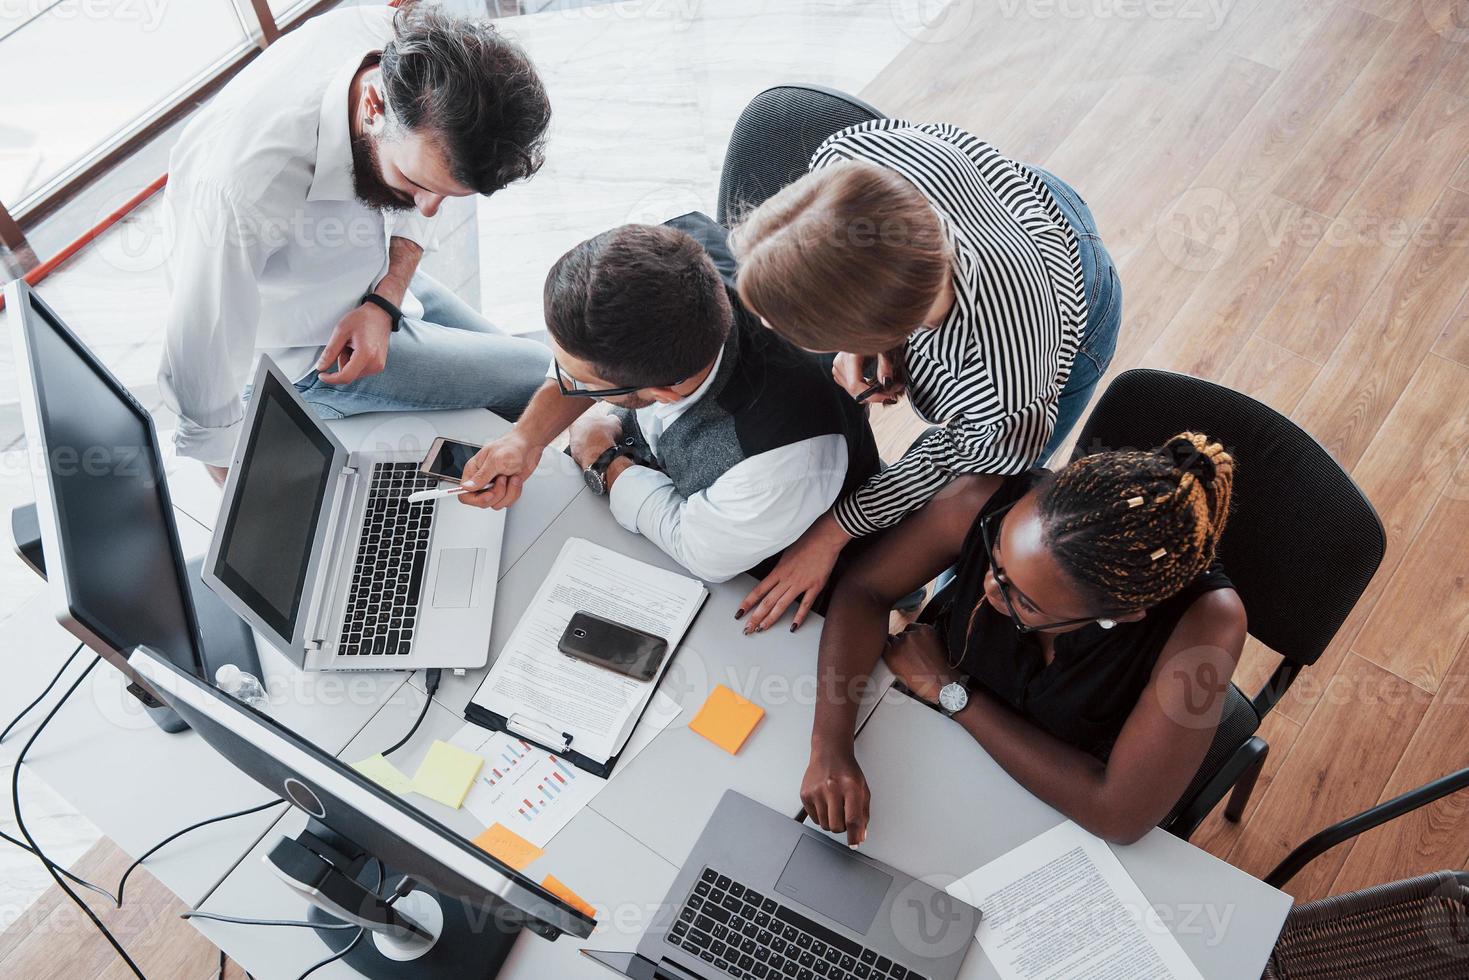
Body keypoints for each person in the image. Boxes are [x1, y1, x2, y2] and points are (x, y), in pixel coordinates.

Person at [728, 119, 1122, 631]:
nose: (762, 324)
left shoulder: (1004, 383)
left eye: (784, 324)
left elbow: (959, 460)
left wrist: (832, 532)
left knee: (980, 515)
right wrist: (875, 339)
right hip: (1012, 199)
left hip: (1069, 292)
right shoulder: (848, 157)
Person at [159, 2, 553, 479]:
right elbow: (201, 390)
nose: (428, 209)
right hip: (308, 353)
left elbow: (418, 206)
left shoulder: (401, 50)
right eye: (417, 184)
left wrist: (386, 298)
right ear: (373, 107)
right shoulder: (240, 194)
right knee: (540, 377)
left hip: (368, 280)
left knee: (554, 380)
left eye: (447, 196)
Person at [801, 433, 1244, 846]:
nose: (990, 590)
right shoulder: (983, 496)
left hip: (1047, 811)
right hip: (920, 747)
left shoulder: (1207, 624)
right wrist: (830, 745)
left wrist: (953, 693)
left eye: (1026, 603)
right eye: (996, 560)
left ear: (1120, 616)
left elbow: (1118, 815)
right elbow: (867, 588)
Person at [456, 213, 881, 587]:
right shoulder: (668, 256)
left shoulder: (779, 459)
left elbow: (698, 549)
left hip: (775, 560)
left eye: (580, 382)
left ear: (662, 394)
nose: (564, 387)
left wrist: (603, 460)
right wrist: (526, 438)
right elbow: (591, 360)